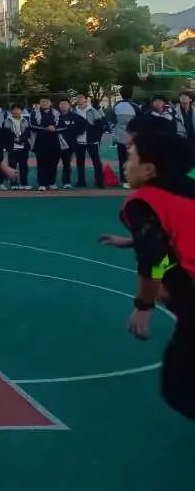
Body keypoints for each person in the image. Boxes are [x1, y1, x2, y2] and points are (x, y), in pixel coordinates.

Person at [98, 115, 195, 420]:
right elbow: (176, 230)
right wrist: (134, 241)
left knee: (180, 386)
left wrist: (144, 304)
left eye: (131, 156)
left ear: (149, 169)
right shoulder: (186, 187)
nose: (125, 163)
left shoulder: (142, 202)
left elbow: (155, 258)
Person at [73, 92, 105, 189]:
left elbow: (100, 125)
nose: (79, 99)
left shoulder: (93, 111)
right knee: (80, 162)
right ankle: (81, 181)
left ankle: (99, 182)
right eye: (78, 97)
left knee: (96, 161)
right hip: (79, 141)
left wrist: (96, 137)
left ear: (86, 99)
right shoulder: (74, 111)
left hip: (91, 140)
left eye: (81, 97)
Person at [30, 97, 62, 191]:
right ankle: (42, 184)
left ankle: (52, 183)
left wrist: (55, 128)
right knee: (41, 163)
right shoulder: (34, 113)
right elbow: (32, 125)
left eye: (46, 102)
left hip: (54, 142)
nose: (44, 103)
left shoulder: (57, 113)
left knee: (53, 163)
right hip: (40, 141)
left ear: (50, 103)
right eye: (42, 101)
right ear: (40, 103)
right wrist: (46, 128)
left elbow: (63, 125)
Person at [112, 86, 140, 188]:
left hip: (120, 136)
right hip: (132, 137)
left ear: (121, 94)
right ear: (131, 94)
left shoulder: (116, 105)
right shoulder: (135, 106)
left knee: (122, 159)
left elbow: (114, 119)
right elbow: (140, 121)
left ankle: (124, 180)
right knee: (133, 159)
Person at [55, 97, 87, 190]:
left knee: (67, 164)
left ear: (69, 105)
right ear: (59, 105)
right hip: (55, 144)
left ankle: (66, 182)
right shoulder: (55, 116)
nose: (63, 106)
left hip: (69, 144)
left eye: (65, 104)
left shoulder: (75, 116)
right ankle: (51, 182)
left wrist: (74, 133)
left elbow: (84, 125)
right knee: (52, 164)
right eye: (61, 104)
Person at [4, 104, 32, 189]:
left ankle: (24, 183)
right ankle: (14, 184)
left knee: (24, 165)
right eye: (14, 109)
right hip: (12, 146)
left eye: (18, 109)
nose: (16, 111)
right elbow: (6, 133)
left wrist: (21, 139)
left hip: (23, 146)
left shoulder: (25, 121)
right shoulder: (7, 121)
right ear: (11, 111)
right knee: (12, 165)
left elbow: (27, 133)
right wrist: (14, 139)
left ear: (21, 111)